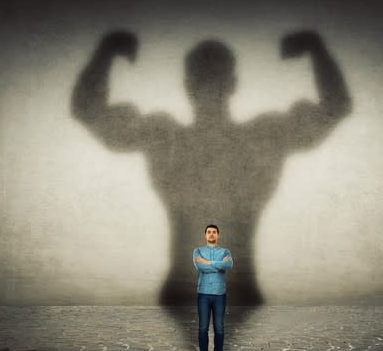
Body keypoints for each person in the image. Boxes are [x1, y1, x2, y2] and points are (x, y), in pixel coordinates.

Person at [71, 30, 351, 306]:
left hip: (197, 294)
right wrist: (316, 49)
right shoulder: (260, 138)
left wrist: (106, 52)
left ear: (187, 85)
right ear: (233, 83)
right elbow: (335, 106)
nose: (207, 87)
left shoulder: (168, 139)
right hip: (228, 293)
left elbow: (88, 110)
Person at [193, 224, 232, 351]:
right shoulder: (197, 251)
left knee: (219, 328)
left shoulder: (225, 251)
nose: (211, 234)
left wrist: (209, 262)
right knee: (203, 328)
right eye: (209, 232)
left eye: (214, 232)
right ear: (205, 235)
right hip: (203, 294)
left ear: (218, 235)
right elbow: (200, 267)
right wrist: (218, 265)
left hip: (219, 295)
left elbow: (228, 265)